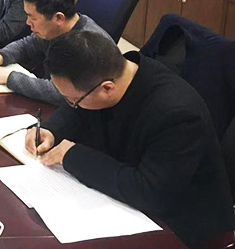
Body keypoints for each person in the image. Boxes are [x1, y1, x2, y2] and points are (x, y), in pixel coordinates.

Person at [25, 30, 235, 249]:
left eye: (72, 100)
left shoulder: (177, 114)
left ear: (107, 88)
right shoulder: (111, 72)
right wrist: (52, 130)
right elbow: (79, 111)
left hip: (181, 226)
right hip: (126, 196)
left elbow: (150, 192)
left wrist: (73, 156)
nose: (71, 105)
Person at [0, 0, 112, 104]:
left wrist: (10, 78)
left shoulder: (88, 46)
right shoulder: (55, 29)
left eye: (33, 17)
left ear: (58, 18)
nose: (28, 22)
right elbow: (27, 44)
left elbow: (65, 94)